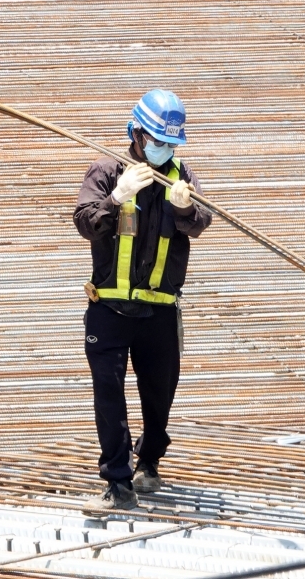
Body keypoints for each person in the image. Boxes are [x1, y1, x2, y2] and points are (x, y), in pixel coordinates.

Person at [73, 89, 212, 513]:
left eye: (170, 142)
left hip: (159, 311)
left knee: (159, 396)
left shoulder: (180, 175)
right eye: (156, 139)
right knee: (109, 396)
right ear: (136, 133)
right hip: (109, 310)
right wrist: (116, 198)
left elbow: (202, 221)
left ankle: (148, 460)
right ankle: (117, 482)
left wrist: (186, 209)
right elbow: (84, 221)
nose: (162, 148)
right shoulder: (106, 169)